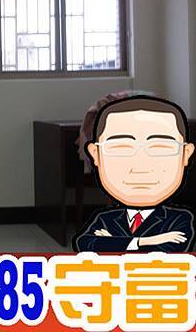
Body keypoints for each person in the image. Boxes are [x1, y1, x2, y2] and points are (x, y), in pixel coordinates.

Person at [73, 95, 195, 252]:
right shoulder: (104, 218)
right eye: (121, 147)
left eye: (159, 147)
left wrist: (112, 241)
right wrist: (145, 241)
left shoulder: (181, 218)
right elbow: (85, 243)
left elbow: (170, 250)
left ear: (185, 154)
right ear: (96, 154)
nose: (140, 168)